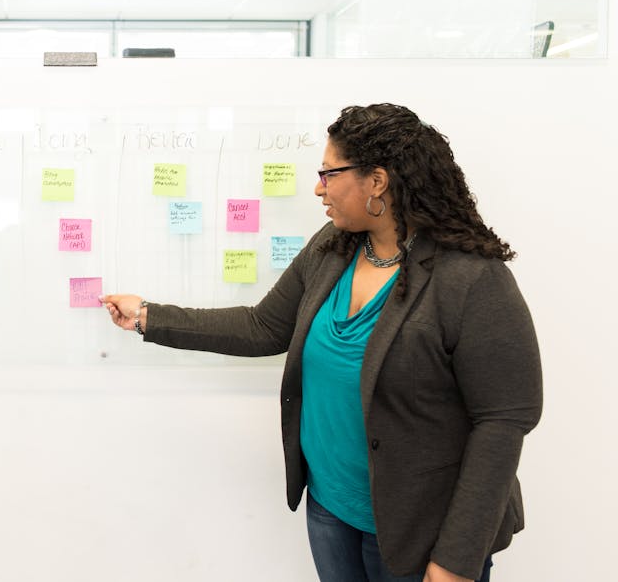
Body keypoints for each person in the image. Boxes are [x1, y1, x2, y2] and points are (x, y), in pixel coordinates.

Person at [102, 103, 541, 582]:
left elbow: (503, 420)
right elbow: (262, 326)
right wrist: (149, 316)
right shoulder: (333, 247)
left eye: (329, 173)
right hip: (330, 509)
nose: (318, 187)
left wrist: (456, 559)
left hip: (420, 530)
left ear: (377, 182)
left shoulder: (471, 278)